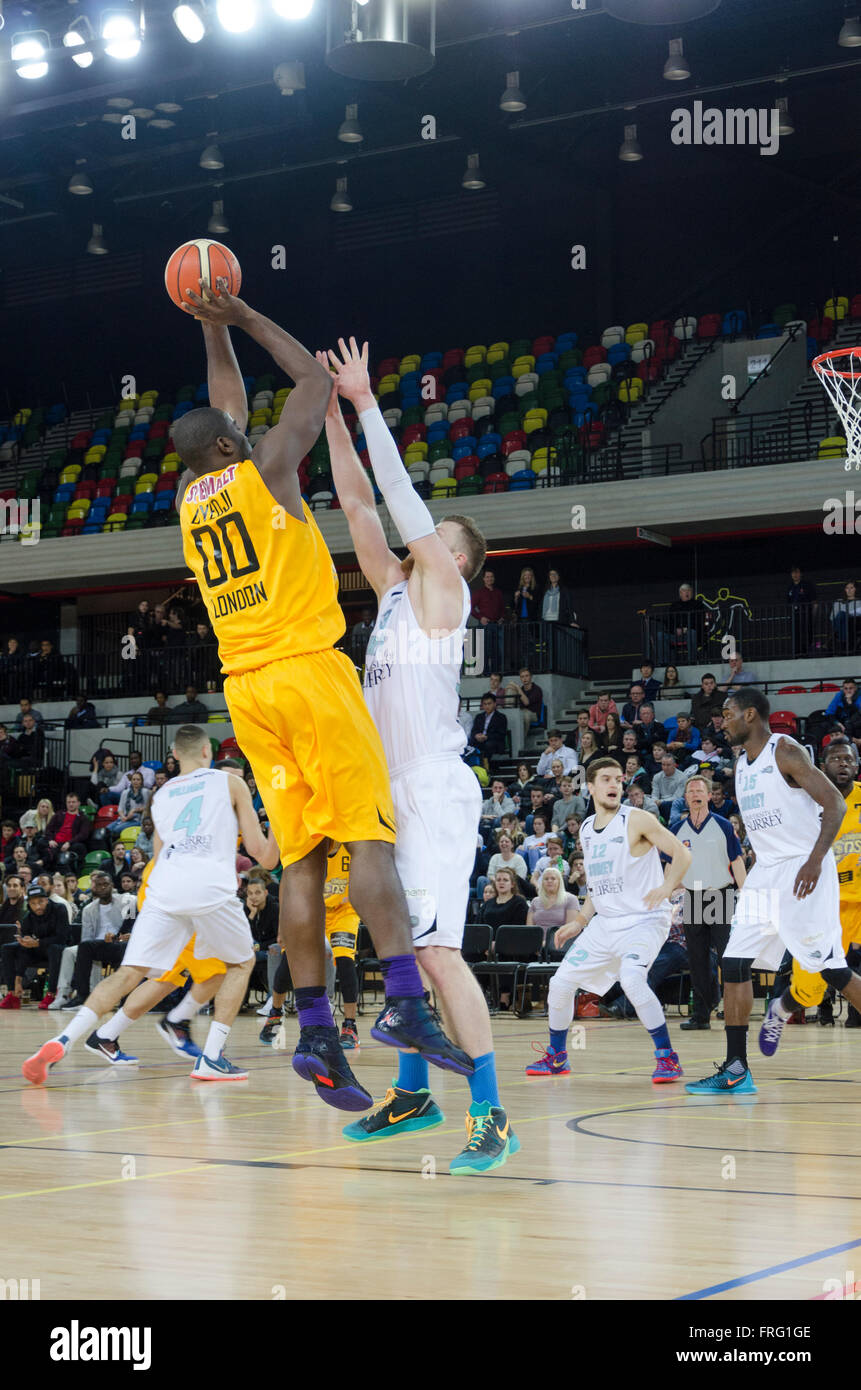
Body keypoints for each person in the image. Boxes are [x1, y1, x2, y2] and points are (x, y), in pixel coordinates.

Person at [165, 289, 468, 1111]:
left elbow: (223, 409)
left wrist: (207, 326)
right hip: (307, 671)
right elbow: (309, 382)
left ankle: (318, 1037)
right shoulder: (265, 473)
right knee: (368, 838)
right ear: (234, 446)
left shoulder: (193, 499)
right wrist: (247, 315)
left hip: (246, 692)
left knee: (301, 856)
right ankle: (405, 1003)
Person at [320, 334, 511, 1173]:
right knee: (399, 948)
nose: (418, 537)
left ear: (456, 558)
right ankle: (411, 1095)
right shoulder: (396, 595)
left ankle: (492, 1113)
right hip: (389, 789)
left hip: (434, 787)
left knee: (434, 953)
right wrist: (325, 413)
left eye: (436, 535)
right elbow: (360, 509)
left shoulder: (443, 591)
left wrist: (366, 402)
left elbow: (396, 501)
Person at [23, 726, 279, 1083]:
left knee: (132, 972)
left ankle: (63, 1038)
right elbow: (263, 858)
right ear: (208, 752)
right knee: (241, 963)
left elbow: (158, 855)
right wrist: (282, 831)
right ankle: (211, 1057)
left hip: (163, 888)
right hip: (208, 886)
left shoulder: (162, 795)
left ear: (175, 756)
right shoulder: (230, 783)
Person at [685, 689, 861, 1095]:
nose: (721, 721)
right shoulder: (740, 763)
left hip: (804, 869)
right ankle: (735, 1069)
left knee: (831, 970)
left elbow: (834, 803)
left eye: (727, 714)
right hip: (767, 873)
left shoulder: (785, 750)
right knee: (733, 963)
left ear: (750, 715)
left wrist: (815, 860)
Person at [525, 757, 690, 1081]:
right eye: (606, 779)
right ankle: (557, 1056)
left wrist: (668, 886)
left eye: (618, 779)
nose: (614, 784)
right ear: (590, 786)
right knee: (560, 984)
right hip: (605, 923)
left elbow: (682, 854)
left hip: (644, 919)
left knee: (631, 978)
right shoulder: (586, 829)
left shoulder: (637, 820)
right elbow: (598, 889)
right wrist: (579, 921)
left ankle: (667, 1056)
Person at [771, 738, 861, 1032]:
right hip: (825, 905)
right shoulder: (807, 803)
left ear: (857, 766)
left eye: (848, 759)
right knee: (809, 988)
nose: (843, 763)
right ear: (822, 767)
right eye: (836, 759)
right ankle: (780, 1010)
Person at [671, 776, 746, 1031]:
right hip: (693, 896)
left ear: (709, 795)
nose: (695, 794)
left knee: (727, 957)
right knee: (697, 960)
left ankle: (732, 1010)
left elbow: (736, 860)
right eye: (690, 791)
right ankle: (702, 1015)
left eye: (700, 790)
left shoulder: (723, 826)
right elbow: (670, 866)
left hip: (720, 894)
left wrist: (745, 893)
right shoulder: (676, 830)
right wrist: (664, 892)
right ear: (686, 797)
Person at [0, 885, 71, 1009]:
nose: (37, 906)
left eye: (41, 902)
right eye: (33, 903)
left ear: (47, 900)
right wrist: (18, 979)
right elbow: (25, 949)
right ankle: (13, 993)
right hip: (38, 950)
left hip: (60, 950)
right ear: (29, 904)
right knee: (8, 948)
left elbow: (62, 938)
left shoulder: (60, 909)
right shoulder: (28, 916)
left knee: (54, 948)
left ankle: (51, 994)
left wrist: (37, 943)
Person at [44, 793, 90, 870]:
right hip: (55, 842)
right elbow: (48, 829)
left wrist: (69, 842)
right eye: (69, 802)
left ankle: (47, 860)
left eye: (73, 802)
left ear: (78, 803)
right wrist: (50, 840)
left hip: (71, 843)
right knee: (41, 841)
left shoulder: (83, 818)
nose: (71, 804)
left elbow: (83, 834)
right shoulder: (59, 814)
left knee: (80, 847)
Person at [470, 693, 508, 761]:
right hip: (480, 740)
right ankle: (474, 764)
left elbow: (501, 734)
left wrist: (487, 737)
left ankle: (486, 765)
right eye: (485, 704)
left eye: (489, 703)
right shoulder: (479, 717)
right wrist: (476, 735)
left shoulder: (501, 717)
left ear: (494, 704)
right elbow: (473, 731)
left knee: (489, 745)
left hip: (494, 742)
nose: (487, 706)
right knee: (470, 742)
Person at [830, 581, 861, 654]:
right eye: (847, 588)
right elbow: (832, 616)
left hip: (854, 623)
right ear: (845, 590)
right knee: (841, 615)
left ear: (856, 589)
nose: (849, 590)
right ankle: (845, 644)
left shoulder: (859, 602)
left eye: (851, 588)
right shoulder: (839, 601)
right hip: (838, 622)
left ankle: (843, 644)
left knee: (842, 615)